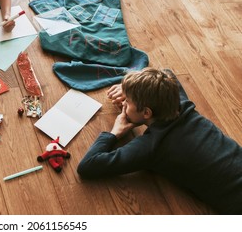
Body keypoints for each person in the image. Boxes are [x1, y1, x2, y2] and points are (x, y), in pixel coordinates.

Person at [77, 67, 242, 214]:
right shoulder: (181, 104)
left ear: (146, 113)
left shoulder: (151, 147)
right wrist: (133, 88)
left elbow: (88, 165)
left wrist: (115, 133)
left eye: (128, 100)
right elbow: (167, 72)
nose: (124, 102)